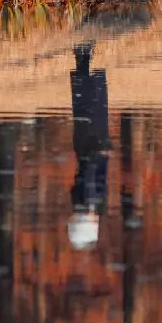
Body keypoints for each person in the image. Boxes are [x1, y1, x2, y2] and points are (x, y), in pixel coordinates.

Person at [68, 42, 109, 250]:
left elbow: (90, 174)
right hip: (88, 147)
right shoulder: (86, 199)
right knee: (86, 104)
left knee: (90, 103)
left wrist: (97, 155)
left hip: (93, 147)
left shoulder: (91, 198)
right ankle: (83, 58)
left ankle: (84, 56)